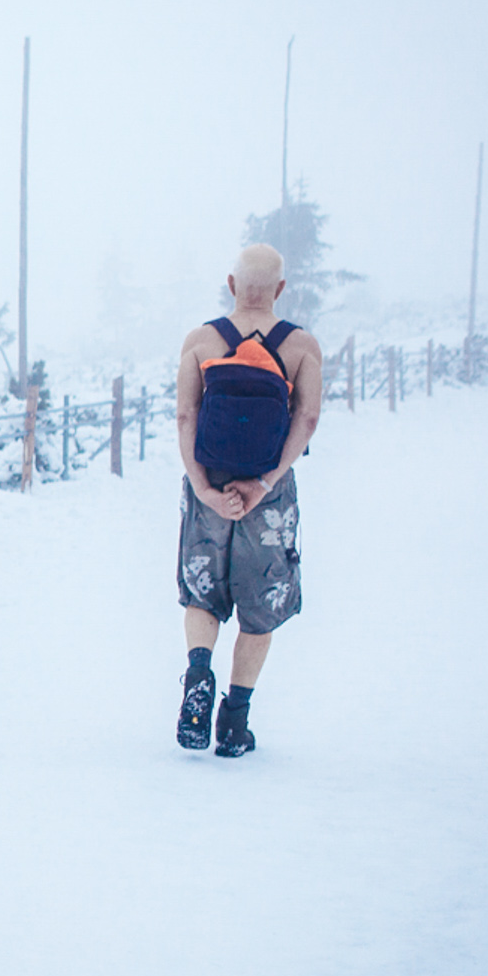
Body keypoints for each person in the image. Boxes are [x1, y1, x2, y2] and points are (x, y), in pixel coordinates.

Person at [172, 243, 323, 758]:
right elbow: (305, 420)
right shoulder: (302, 346)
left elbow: (186, 417)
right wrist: (265, 482)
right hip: (268, 494)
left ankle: (197, 671)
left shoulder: (201, 340)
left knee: (201, 594)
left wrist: (203, 489)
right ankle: (234, 723)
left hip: (209, 481)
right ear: (280, 289)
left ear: (232, 284)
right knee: (260, 610)